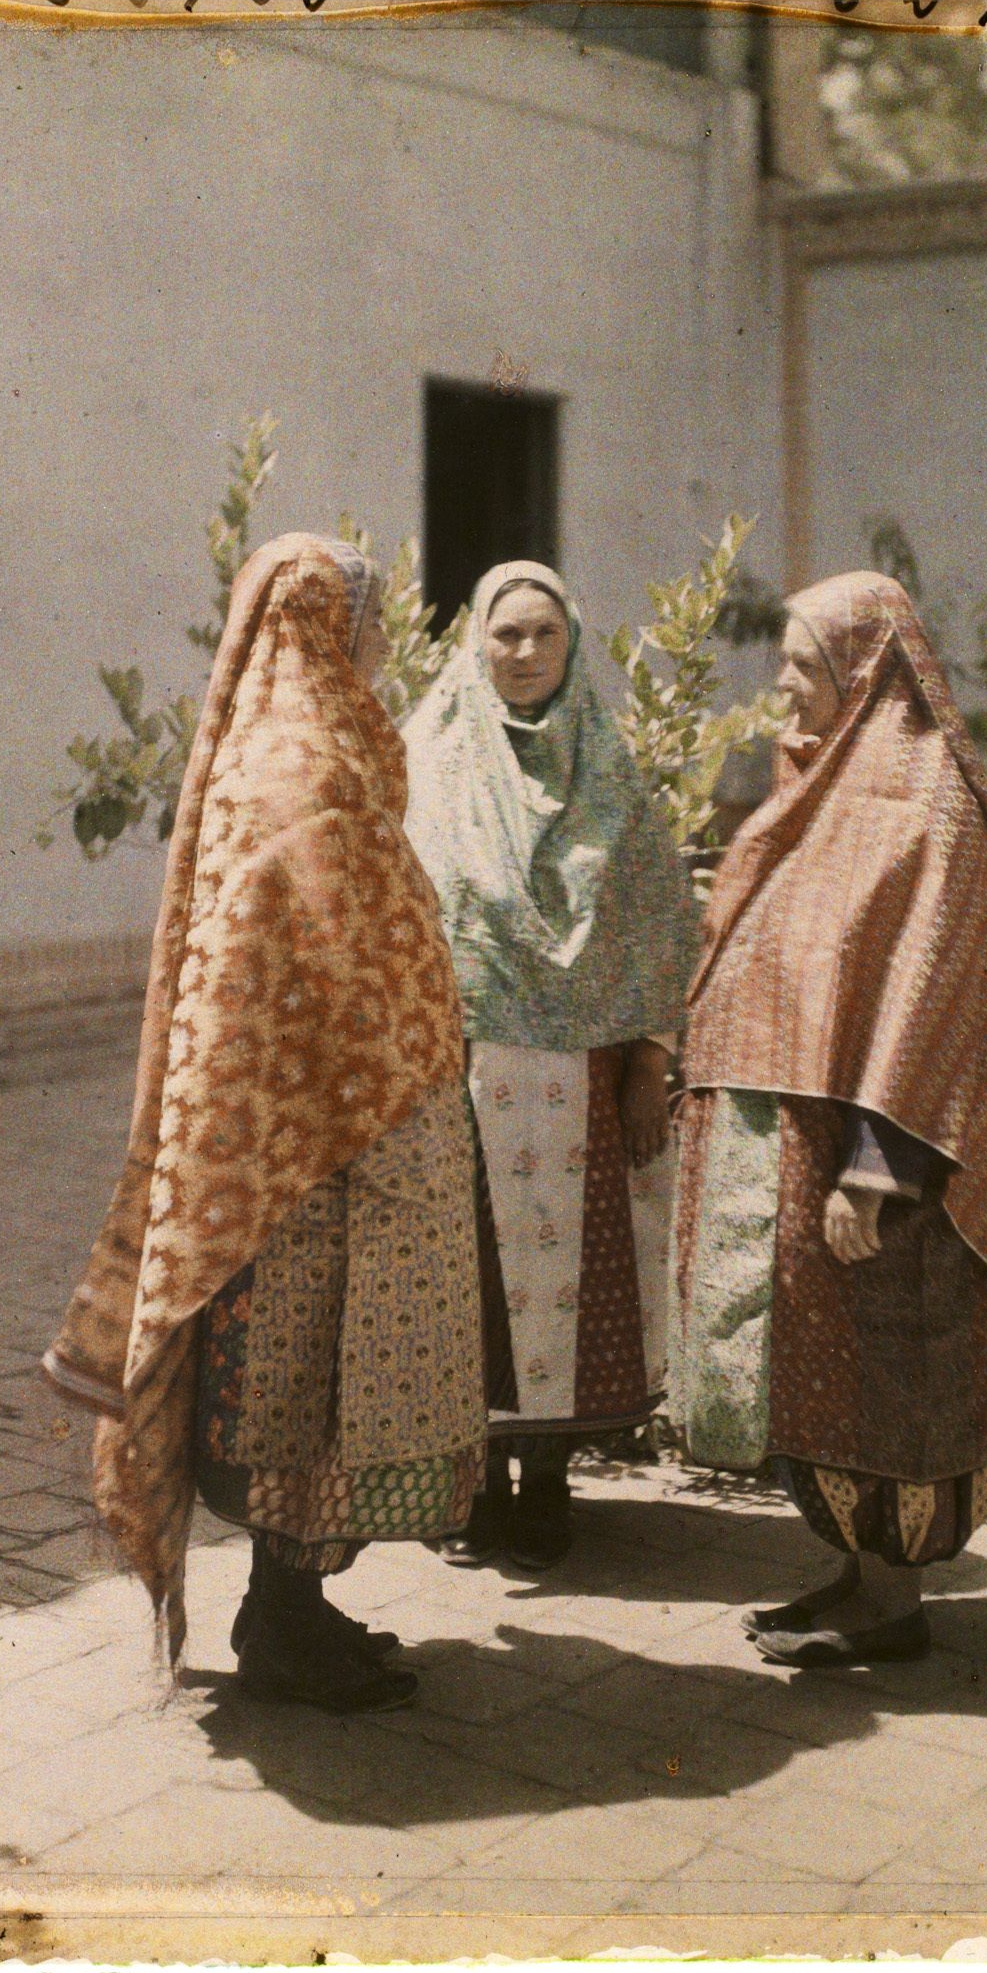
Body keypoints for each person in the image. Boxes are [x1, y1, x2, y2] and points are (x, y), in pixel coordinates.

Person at [43, 533, 487, 1713]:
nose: (385, 644)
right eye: (371, 621)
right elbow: (344, 971)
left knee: (298, 1394)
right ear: (325, 628)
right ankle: (282, 1623)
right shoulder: (306, 770)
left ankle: (291, 1607)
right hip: (319, 1150)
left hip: (286, 1142)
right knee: (307, 1393)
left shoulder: (276, 754)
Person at [672, 570, 987, 1666]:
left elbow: (930, 1005)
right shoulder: (817, 794)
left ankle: (891, 1604)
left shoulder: (926, 806)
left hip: (891, 1175)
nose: (783, 697)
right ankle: (859, 1575)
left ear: (863, 674)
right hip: (813, 1156)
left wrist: (871, 1169)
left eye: (802, 672)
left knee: (890, 1379)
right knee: (829, 1390)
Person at [402, 561, 701, 1570]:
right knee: (477, 1274)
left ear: (571, 644)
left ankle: (548, 1483)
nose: (523, 653)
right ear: (476, 642)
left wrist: (646, 1063)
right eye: (505, 635)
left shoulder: (606, 769)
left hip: (578, 1078)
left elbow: (659, 917)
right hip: (465, 1070)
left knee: (569, 1282)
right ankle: (478, 1478)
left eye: (542, 634)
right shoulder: (432, 761)